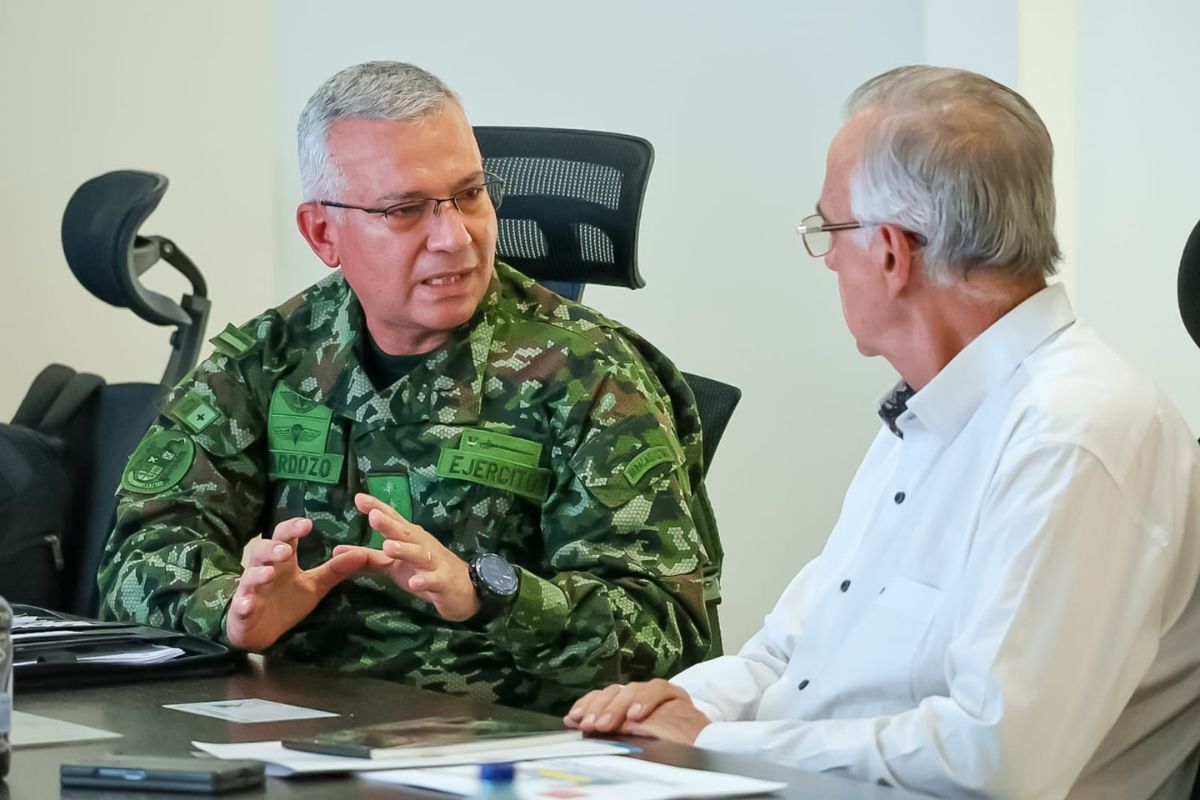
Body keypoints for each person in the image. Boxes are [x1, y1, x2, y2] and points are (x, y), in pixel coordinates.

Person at [565, 65, 1200, 799]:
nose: (828, 256)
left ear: (892, 252)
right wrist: (677, 706)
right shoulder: (928, 412)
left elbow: (998, 760)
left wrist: (718, 743)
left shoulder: (1074, 435)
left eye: (828, 230)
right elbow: (788, 654)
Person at [97, 61, 715, 715]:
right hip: (297, 736)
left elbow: (667, 637)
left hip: (513, 749)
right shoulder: (267, 359)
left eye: (471, 195)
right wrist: (232, 610)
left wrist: (491, 595)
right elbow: (136, 552)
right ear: (323, 233)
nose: (455, 238)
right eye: (405, 210)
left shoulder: (595, 376)